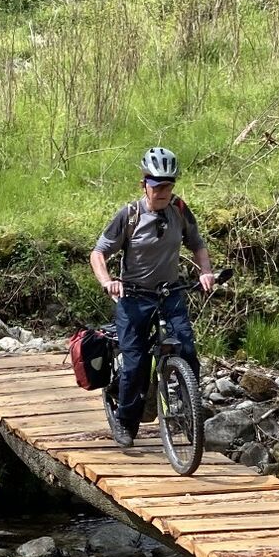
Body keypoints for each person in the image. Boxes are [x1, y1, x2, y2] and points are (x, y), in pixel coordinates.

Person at [90, 147, 216, 447]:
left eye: (168, 186)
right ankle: (125, 422)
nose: (162, 192)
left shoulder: (179, 209)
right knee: (136, 364)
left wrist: (205, 272)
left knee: (187, 351)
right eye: (156, 186)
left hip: (169, 293)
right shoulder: (129, 215)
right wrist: (108, 282)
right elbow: (98, 253)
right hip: (134, 295)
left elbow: (197, 244)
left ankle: (189, 416)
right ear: (144, 184)